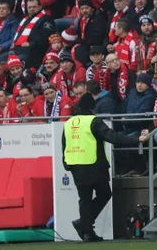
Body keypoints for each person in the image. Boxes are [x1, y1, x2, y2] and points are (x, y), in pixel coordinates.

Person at [61, 91, 146, 242]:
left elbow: (64, 145)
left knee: (84, 199)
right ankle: (84, 224)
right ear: (90, 108)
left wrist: (66, 163)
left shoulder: (68, 123)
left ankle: (87, 231)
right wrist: (136, 140)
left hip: (75, 165)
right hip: (94, 165)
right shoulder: (93, 121)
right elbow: (112, 137)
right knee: (104, 194)